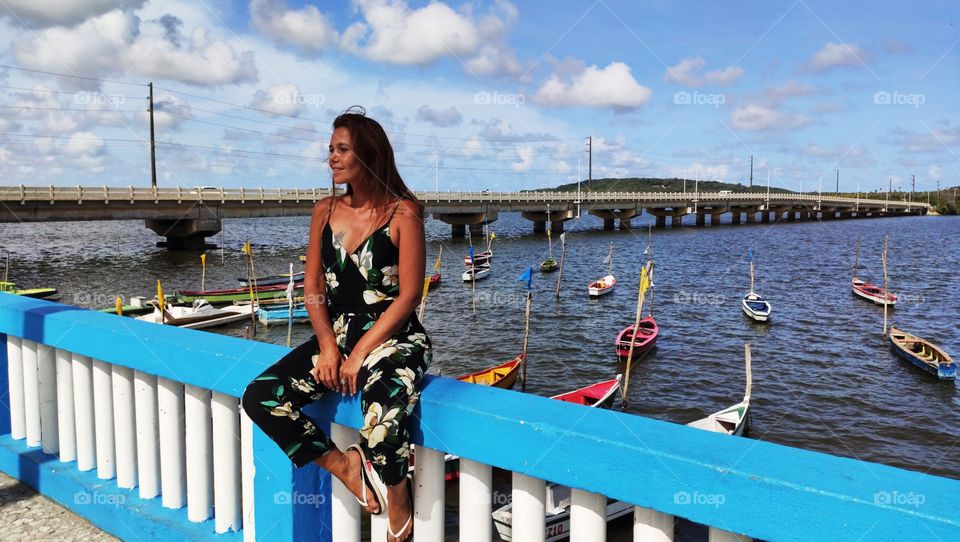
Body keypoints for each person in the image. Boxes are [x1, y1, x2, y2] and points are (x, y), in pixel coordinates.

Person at [242, 107, 430, 542]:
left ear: (369, 153)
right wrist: (328, 345)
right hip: (339, 335)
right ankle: (344, 465)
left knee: (383, 413)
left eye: (342, 148)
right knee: (261, 397)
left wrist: (361, 352)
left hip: (393, 337)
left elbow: (408, 297)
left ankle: (398, 496)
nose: (332, 156)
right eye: (330, 149)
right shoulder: (324, 210)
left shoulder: (404, 213)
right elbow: (313, 289)